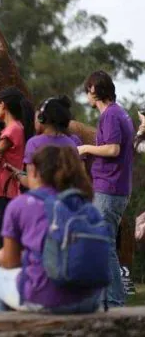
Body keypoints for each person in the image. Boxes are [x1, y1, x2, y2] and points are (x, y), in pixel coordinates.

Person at [0, 146, 102, 313]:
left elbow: (10, 263)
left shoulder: (22, 204)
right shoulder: (85, 204)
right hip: (91, 299)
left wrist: (1, 255)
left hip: (47, 299)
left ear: (35, 172)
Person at [77, 70, 135, 308]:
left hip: (110, 188)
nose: (87, 95)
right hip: (114, 186)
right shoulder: (119, 113)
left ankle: (114, 300)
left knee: (104, 242)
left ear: (95, 90)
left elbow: (113, 149)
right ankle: (104, 298)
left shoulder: (110, 115)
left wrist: (86, 149)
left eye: (88, 90)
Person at [0, 87, 30, 249]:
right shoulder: (18, 127)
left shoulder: (12, 130)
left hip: (2, 190)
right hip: (7, 190)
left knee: (0, 243)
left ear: (3, 105)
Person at [9, 96, 78, 188]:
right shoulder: (71, 143)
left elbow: (32, 183)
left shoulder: (33, 143)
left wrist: (18, 175)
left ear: (41, 118)